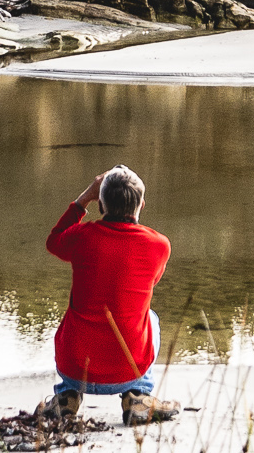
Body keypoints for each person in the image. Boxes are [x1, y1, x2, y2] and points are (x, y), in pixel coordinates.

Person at [38, 162, 179, 428]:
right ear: (142, 205)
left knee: (77, 317)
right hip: (128, 370)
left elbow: (53, 240)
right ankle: (138, 395)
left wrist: (83, 200)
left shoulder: (83, 237)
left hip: (75, 369)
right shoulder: (159, 245)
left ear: (100, 206)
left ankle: (67, 396)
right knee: (149, 317)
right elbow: (151, 281)